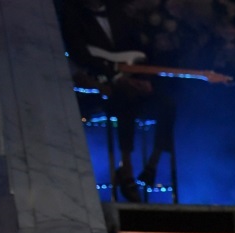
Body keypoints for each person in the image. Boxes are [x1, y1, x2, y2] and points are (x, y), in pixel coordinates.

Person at [58, 0, 176, 202]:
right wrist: (115, 78)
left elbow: (138, 51)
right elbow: (80, 55)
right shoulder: (73, 14)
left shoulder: (119, 13)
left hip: (129, 79)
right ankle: (126, 168)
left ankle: (152, 164)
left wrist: (143, 79)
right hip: (99, 86)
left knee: (167, 103)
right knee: (125, 99)